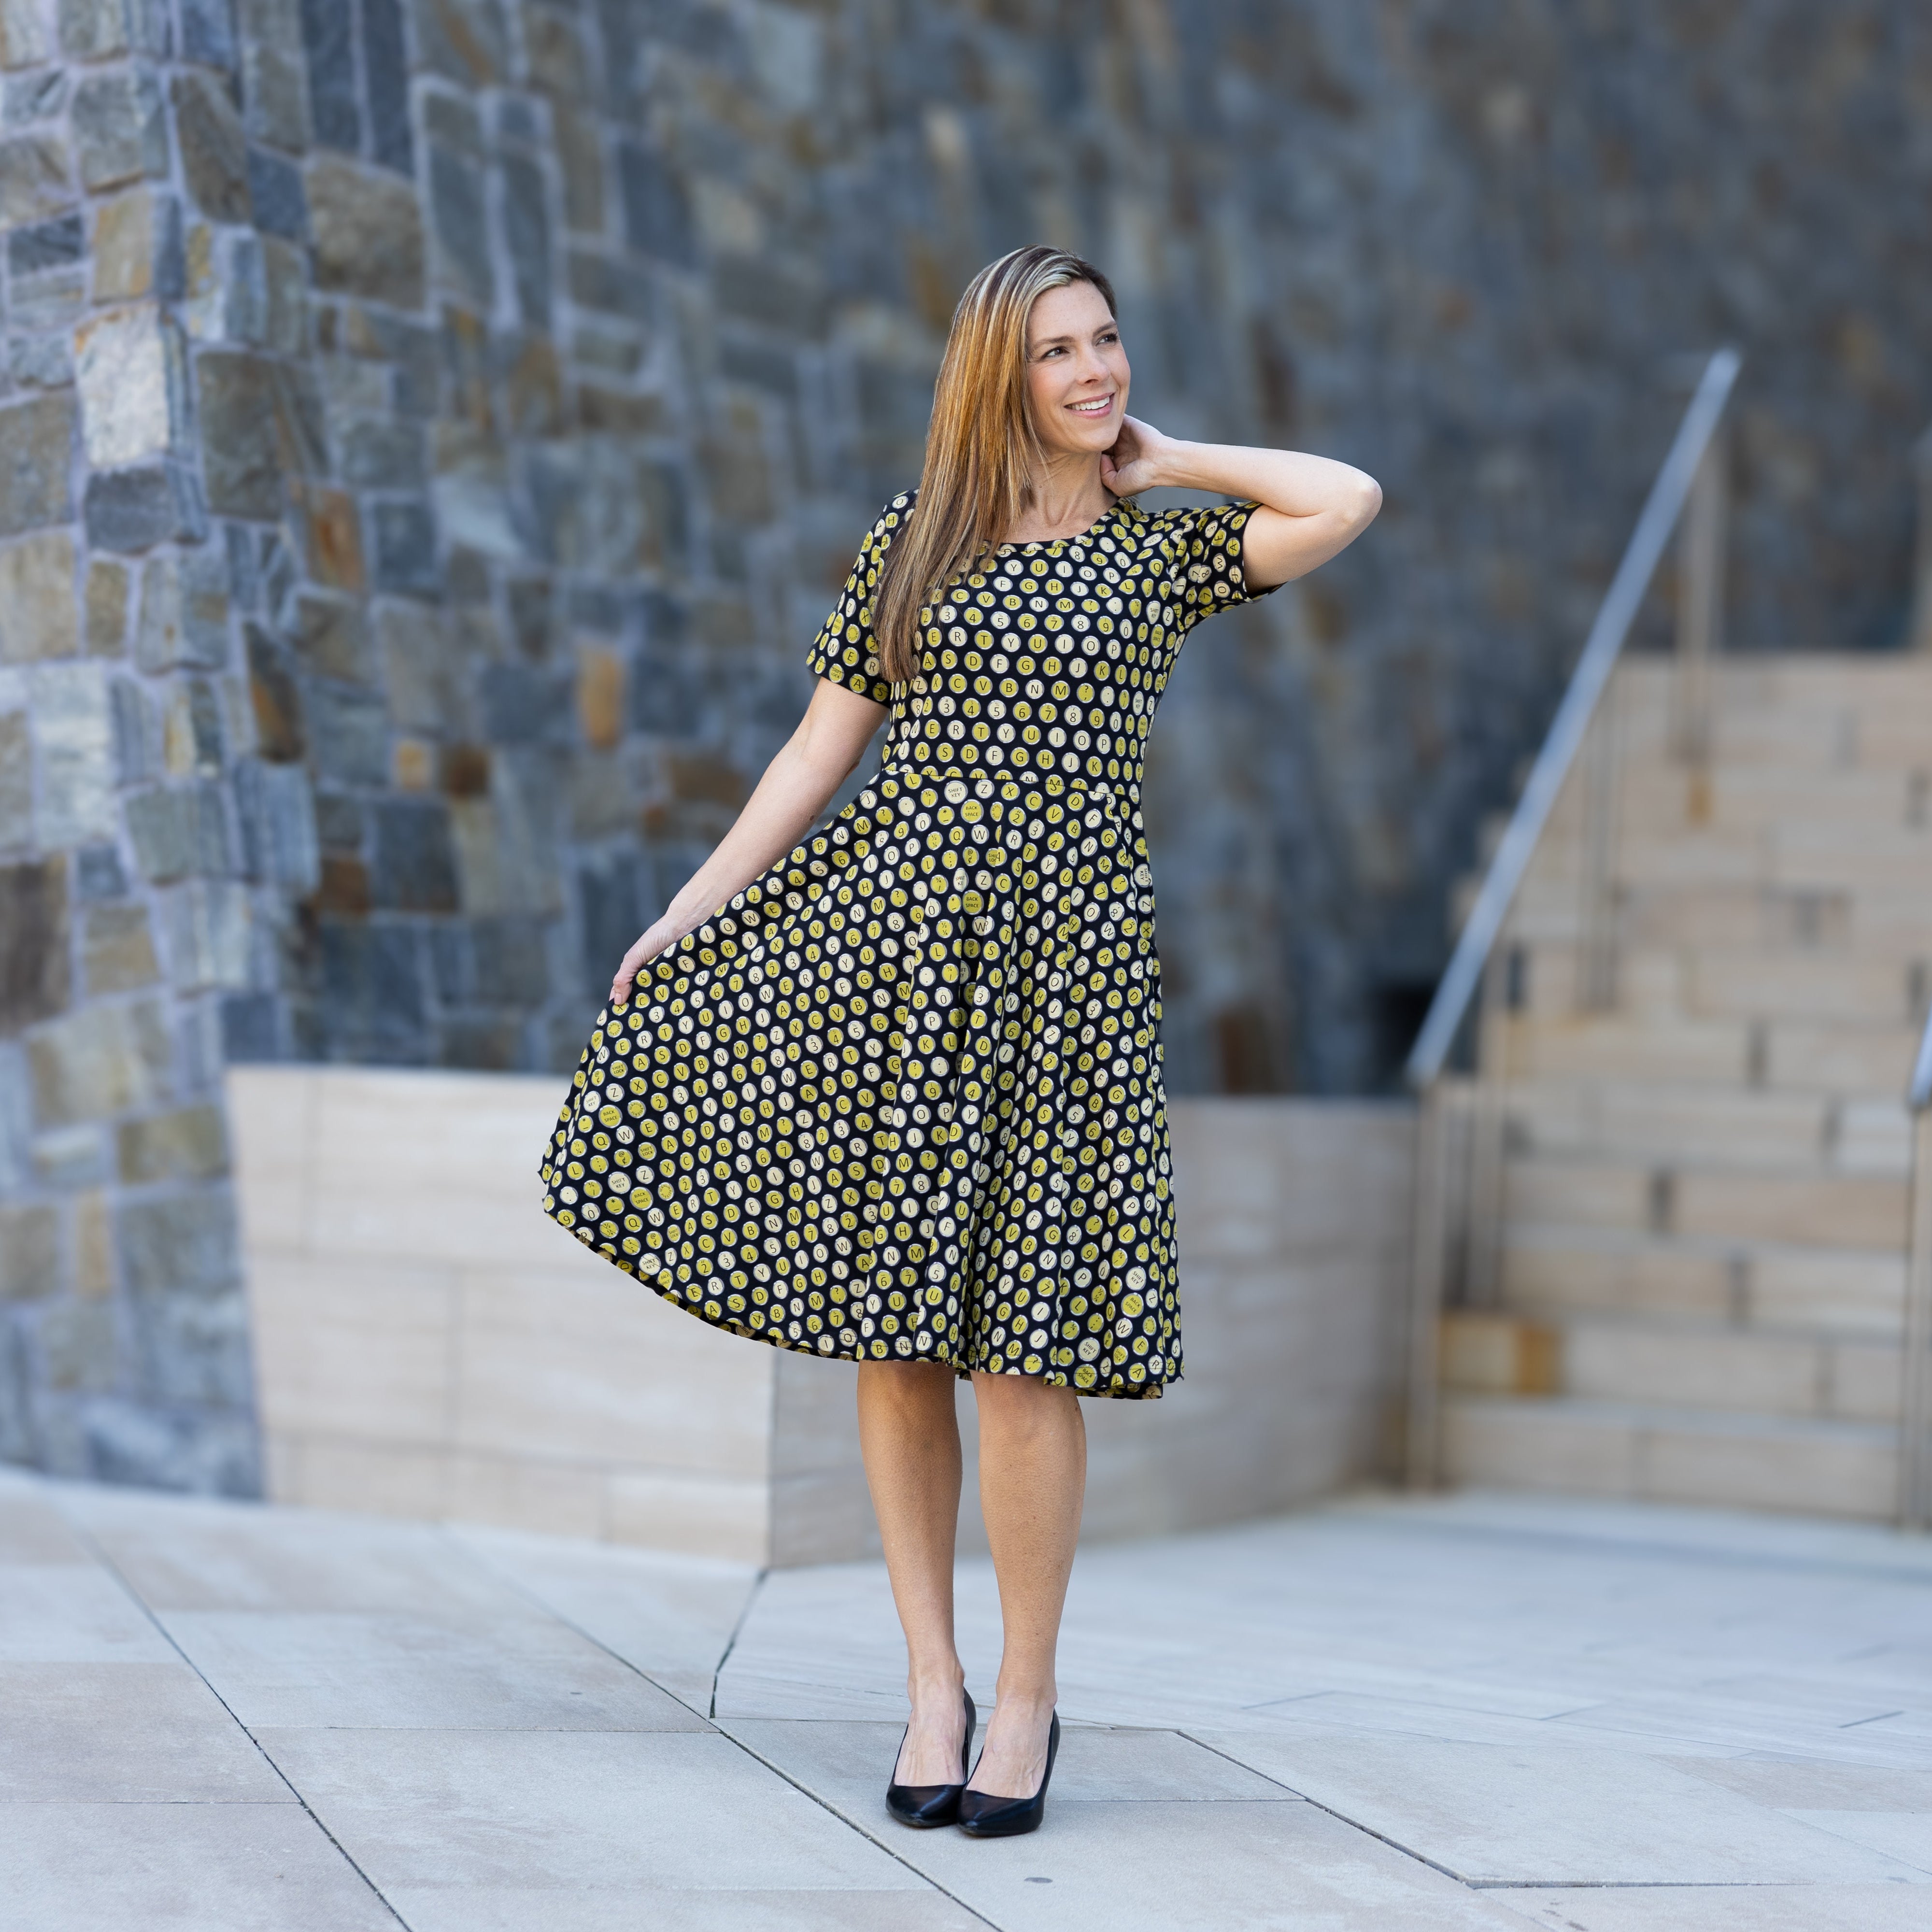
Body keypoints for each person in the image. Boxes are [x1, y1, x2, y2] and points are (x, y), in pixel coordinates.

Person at [540, 244, 1379, 1836]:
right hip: (898, 968)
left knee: (1027, 1356)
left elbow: (1344, 497)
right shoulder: (911, 548)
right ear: (999, 376)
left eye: (1106, 340)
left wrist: (1177, 455)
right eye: (1058, 350)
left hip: (1070, 989)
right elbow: (814, 757)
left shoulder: (1161, 555)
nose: (1092, 370)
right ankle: (933, 1683)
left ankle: (1032, 1693)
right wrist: (689, 910)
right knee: (898, 1336)